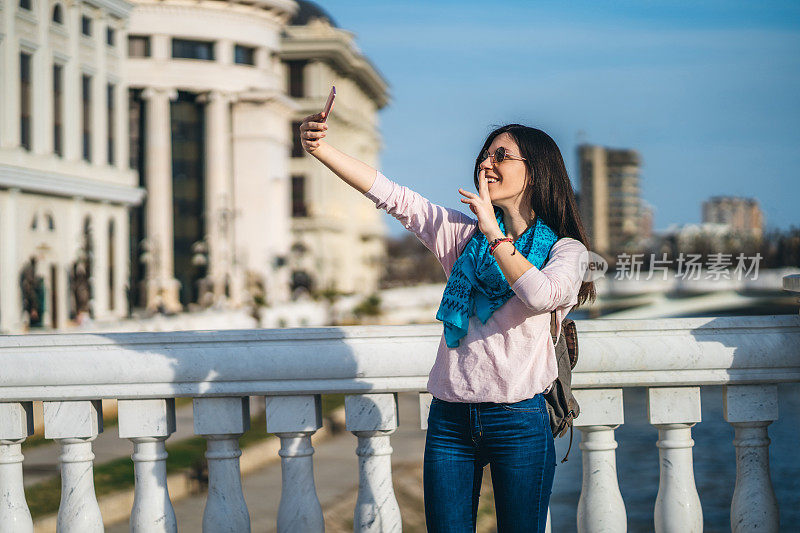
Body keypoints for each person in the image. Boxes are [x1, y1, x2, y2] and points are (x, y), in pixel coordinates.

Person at [299, 113, 596, 532]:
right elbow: (393, 196)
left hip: (519, 419)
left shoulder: (565, 251)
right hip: (451, 421)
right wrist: (320, 149)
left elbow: (540, 295)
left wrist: (494, 232)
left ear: (536, 171)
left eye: (502, 156)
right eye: (484, 156)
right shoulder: (460, 238)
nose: (486, 165)